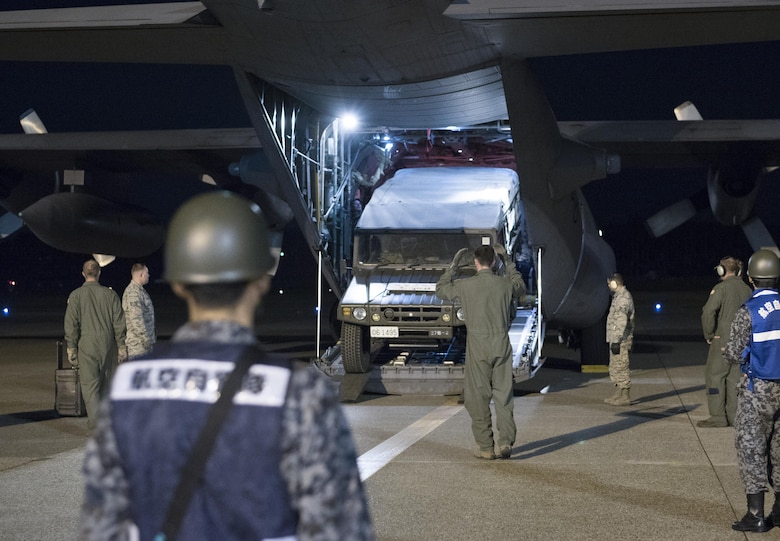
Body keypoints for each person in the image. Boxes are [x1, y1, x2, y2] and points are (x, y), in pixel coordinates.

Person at [79, 191, 374, 541]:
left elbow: (101, 528)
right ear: (262, 280)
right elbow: (341, 530)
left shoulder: (127, 391)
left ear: (177, 284)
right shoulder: (299, 395)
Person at [436, 244, 525, 460]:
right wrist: (508, 261)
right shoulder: (505, 284)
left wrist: (453, 267)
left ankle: (486, 447)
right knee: (503, 395)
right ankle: (506, 442)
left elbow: (440, 290)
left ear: (476, 262)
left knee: (477, 397)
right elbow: (520, 286)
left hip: (477, 345)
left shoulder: (466, 286)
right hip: (501, 343)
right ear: (494, 262)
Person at [725, 249, 780, 533]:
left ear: (751, 278)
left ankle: (756, 515)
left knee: (752, 450)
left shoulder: (747, 311)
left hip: (757, 389)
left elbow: (734, 352)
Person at [64, 259, 127, 430]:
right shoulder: (110, 294)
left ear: (83, 274)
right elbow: (119, 322)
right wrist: (121, 346)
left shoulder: (76, 295)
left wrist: (71, 347)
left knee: (90, 386)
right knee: (106, 384)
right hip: (107, 343)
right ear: (99, 273)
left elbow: (71, 324)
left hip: (87, 343)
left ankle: (96, 425)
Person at [698, 256, 751, 427]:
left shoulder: (721, 288)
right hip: (742, 340)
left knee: (715, 375)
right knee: (735, 377)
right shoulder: (747, 289)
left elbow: (708, 312)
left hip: (723, 338)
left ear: (722, 270)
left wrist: (709, 333)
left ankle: (718, 416)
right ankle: (734, 416)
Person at [604, 272, 635, 406]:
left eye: (609, 283)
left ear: (615, 283)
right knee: (615, 367)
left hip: (621, 340)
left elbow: (622, 320)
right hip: (616, 339)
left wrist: (616, 339)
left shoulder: (623, 298)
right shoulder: (617, 297)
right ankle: (618, 393)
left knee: (622, 366)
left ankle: (625, 396)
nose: (608, 285)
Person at [121, 263, 156, 358]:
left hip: (142, 344)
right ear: (140, 275)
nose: (148, 275)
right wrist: (145, 339)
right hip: (138, 345)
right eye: (146, 273)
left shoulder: (139, 290)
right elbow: (136, 318)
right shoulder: (133, 292)